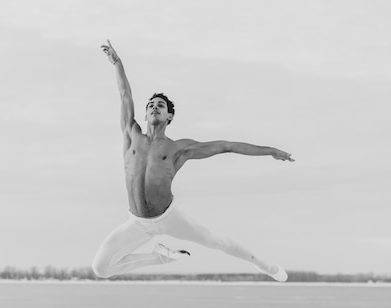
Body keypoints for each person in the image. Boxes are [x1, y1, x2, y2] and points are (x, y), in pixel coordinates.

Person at [92, 40, 294, 282]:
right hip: (137, 222)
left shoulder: (179, 148)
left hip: (169, 218)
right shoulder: (130, 134)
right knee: (101, 268)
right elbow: (125, 94)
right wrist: (117, 63)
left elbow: (227, 146)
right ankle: (160, 257)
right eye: (151, 105)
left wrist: (270, 150)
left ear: (170, 116)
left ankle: (265, 266)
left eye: (161, 106)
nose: (155, 107)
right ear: (145, 114)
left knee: (216, 241)